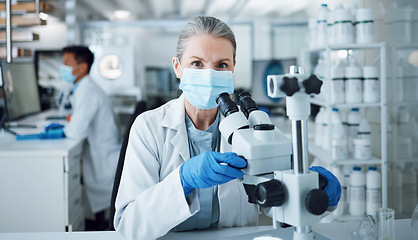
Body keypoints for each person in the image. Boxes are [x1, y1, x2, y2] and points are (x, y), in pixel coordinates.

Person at [114, 16, 341, 240]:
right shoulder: (149, 127)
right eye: (197, 63)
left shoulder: (253, 129)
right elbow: (128, 226)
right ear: (177, 67)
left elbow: (276, 202)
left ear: (232, 70)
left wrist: (308, 189)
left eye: (221, 65)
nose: (210, 75)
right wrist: (182, 181)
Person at [60, 46, 121, 229]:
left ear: (82, 67)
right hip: (102, 155)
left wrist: (69, 124)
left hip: (103, 162)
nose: (62, 67)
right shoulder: (83, 88)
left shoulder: (88, 91)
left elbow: (75, 131)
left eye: (66, 63)